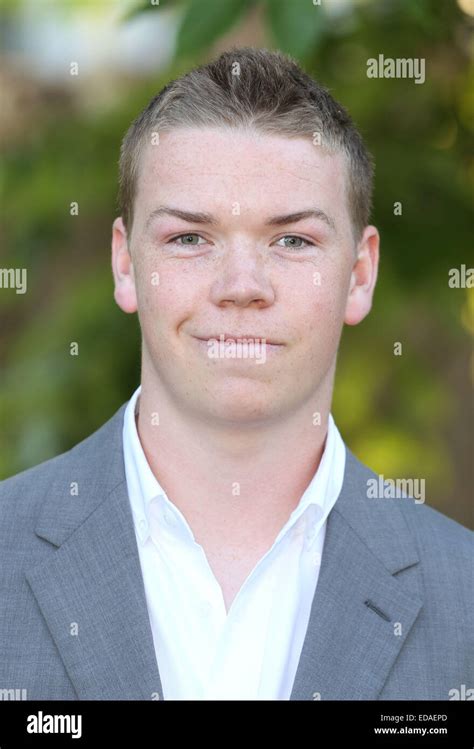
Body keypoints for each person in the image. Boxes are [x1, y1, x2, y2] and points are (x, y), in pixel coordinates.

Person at [0, 47, 472, 701]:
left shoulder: (466, 596)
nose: (241, 286)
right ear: (125, 265)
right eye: (191, 238)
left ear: (360, 274)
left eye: (293, 240)